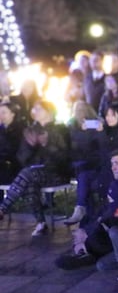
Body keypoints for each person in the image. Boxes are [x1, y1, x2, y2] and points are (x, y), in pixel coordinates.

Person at [0, 100, 71, 236]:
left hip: (56, 172)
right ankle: (41, 223)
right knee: (29, 179)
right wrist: (30, 145)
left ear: (48, 111)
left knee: (27, 175)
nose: (35, 111)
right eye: (34, 109)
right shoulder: (30, 131)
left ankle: (3, 208)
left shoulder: (60, 129)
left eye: (38, 109)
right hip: (35, 172)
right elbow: (22, 158)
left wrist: (47, 145)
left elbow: (64, 157)